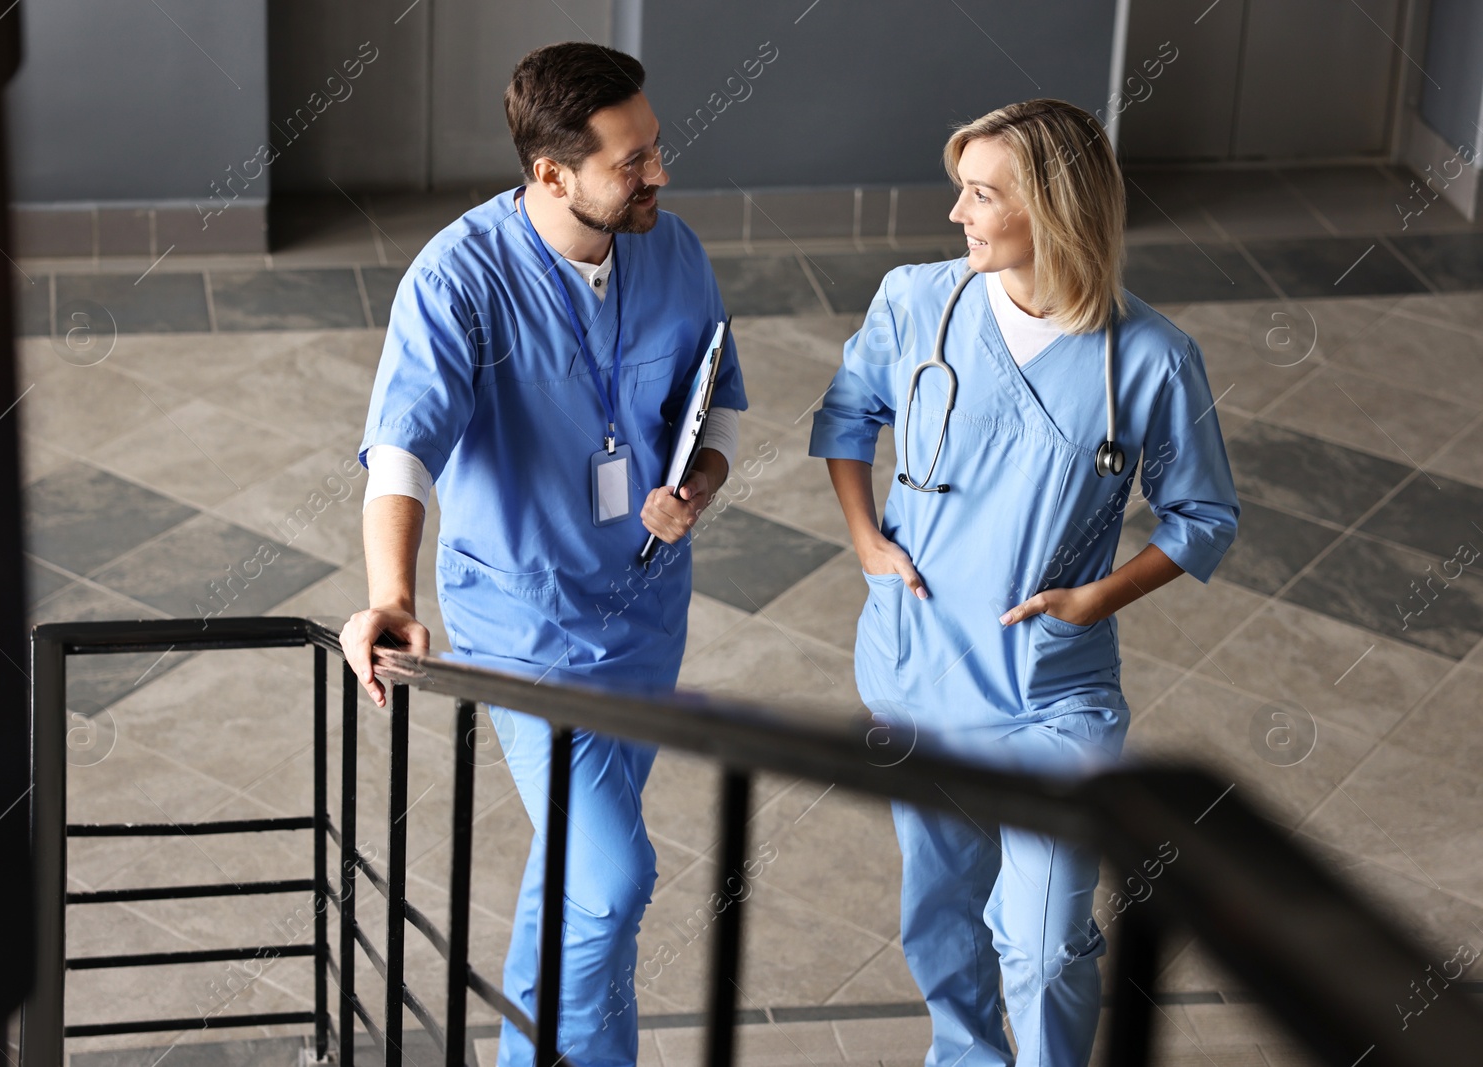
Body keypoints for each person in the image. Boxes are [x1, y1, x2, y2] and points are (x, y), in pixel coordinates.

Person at [338, 43, 748, 1067]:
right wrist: (389, 589)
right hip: (524, 626)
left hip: (646, 613)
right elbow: (403, 448)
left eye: (656, 148)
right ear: (551, 173)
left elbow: (719, 403)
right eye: (631, 162)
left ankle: (533, 1050)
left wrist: (696, 483)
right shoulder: (460, 276)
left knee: (575, 872)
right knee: (610, 877)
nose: (659, 173)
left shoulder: (674, 249)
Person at [809, 99, 1239, 1066]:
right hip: (919, 664)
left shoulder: (1151, 359)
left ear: (1053, 210)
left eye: (980, 193)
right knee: (940, 910)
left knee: (1043, 942)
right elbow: (847, 417)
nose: (956, 212)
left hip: (1053, 690)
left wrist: (1099, 597)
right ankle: (965, 1056)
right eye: (961, 187)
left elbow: (1204, 517)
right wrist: (866, 536)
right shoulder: (919, 300)